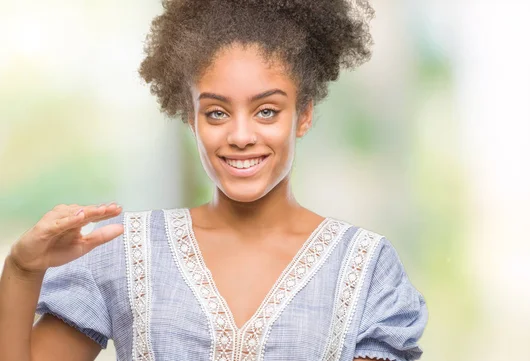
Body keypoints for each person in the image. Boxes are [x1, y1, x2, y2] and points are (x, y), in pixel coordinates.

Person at [0, 1, 428, 360]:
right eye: (217, 112)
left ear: (305, 114)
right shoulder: (124, 253)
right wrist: (21, 270)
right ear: (190, 117)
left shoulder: (364, 267)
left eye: (267, 111)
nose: (241, 136)